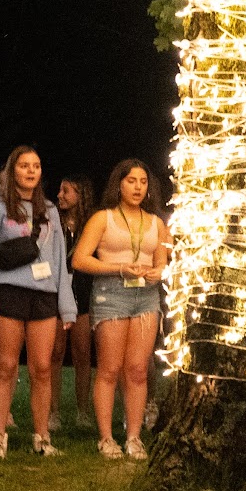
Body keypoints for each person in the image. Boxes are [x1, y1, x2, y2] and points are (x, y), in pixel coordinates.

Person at [0, 145, 76, 459]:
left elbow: (59, 261)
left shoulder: (50, 210)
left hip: (44, 296)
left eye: (36, 165)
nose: (31, 171)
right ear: (11, 170)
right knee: (5, 366)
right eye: (24, 165)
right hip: (9, 293)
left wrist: (66, 307)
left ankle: (42, 438)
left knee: (42, 368)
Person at [72, 158, 170, 459]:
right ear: (119, 184)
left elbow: (163, 261)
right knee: (110, 368)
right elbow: (80, 259)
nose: (138, 187)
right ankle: (106, 438)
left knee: (138, 369)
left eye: (143, 181)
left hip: (147, 296)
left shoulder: (156, 223)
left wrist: (158, 272)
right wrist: (119, 268)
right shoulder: (103, 218)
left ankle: (134, 437)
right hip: (111, 295)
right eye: (131, 181)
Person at [54, 175, 97, 433]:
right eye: (60, 190)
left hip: (82, 291)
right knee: (55, 353)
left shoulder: (91, 224)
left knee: (82, 354)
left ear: (80, 195)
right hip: (57, 292)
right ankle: (53, 413)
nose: (60, 195)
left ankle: (83, 412)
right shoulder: (53, 221)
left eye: (66, 191)